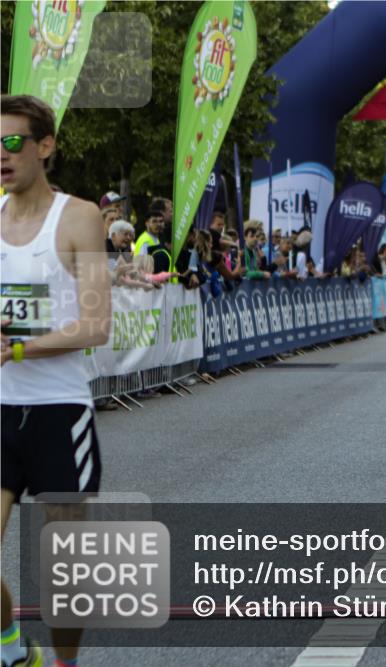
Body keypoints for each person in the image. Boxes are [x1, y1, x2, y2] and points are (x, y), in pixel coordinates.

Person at [1, 94, 112, 667]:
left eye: (13, 141)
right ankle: (15, 653)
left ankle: (64, 665)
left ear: (45, 146)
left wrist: (19, 347)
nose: (3, 154)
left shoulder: (78, 217)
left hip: (58, 412)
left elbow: (96, 325)